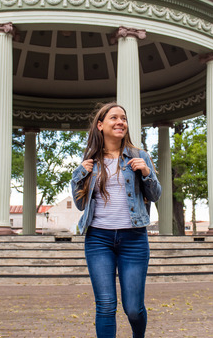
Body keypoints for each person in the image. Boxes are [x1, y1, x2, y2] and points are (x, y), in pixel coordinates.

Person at [71, 102, 162, 338]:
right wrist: (79, 174)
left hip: (134, 239)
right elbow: (81, 204)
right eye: (114, 118)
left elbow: (155, 195)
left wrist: (147, 173)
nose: (120, 121)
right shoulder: (90, 161)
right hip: (98, 239)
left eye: (123, 118)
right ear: (100, 125)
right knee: (105, 305)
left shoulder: (139, 156)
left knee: (133, 308)